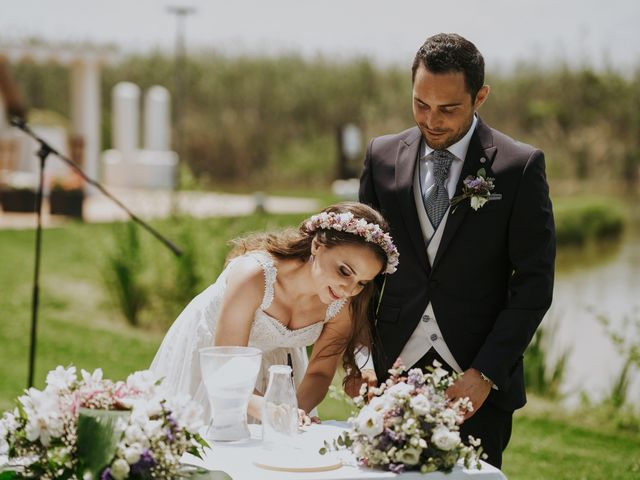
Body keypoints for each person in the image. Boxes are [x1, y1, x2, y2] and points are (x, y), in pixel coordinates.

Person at [356, 33, 555, 468]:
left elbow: (535, 284)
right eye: (420, 104)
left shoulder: (518, 167)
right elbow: (359, 270)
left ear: (479, 96)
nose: (432, 120)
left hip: (474, 380)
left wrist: (484, 374)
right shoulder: (382, 156)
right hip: (389, 371)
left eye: (448, 108)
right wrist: (361, 354)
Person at [150, 201, 398, 424]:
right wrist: (269, 410)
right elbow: (226, 366)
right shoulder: (254, 275)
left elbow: (321, 371)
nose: (349, 289)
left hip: (274, 367)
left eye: (362, 282)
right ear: (317, 246)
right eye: (344, 271)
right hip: (215, 358)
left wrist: (291, 414)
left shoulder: (344, 303)